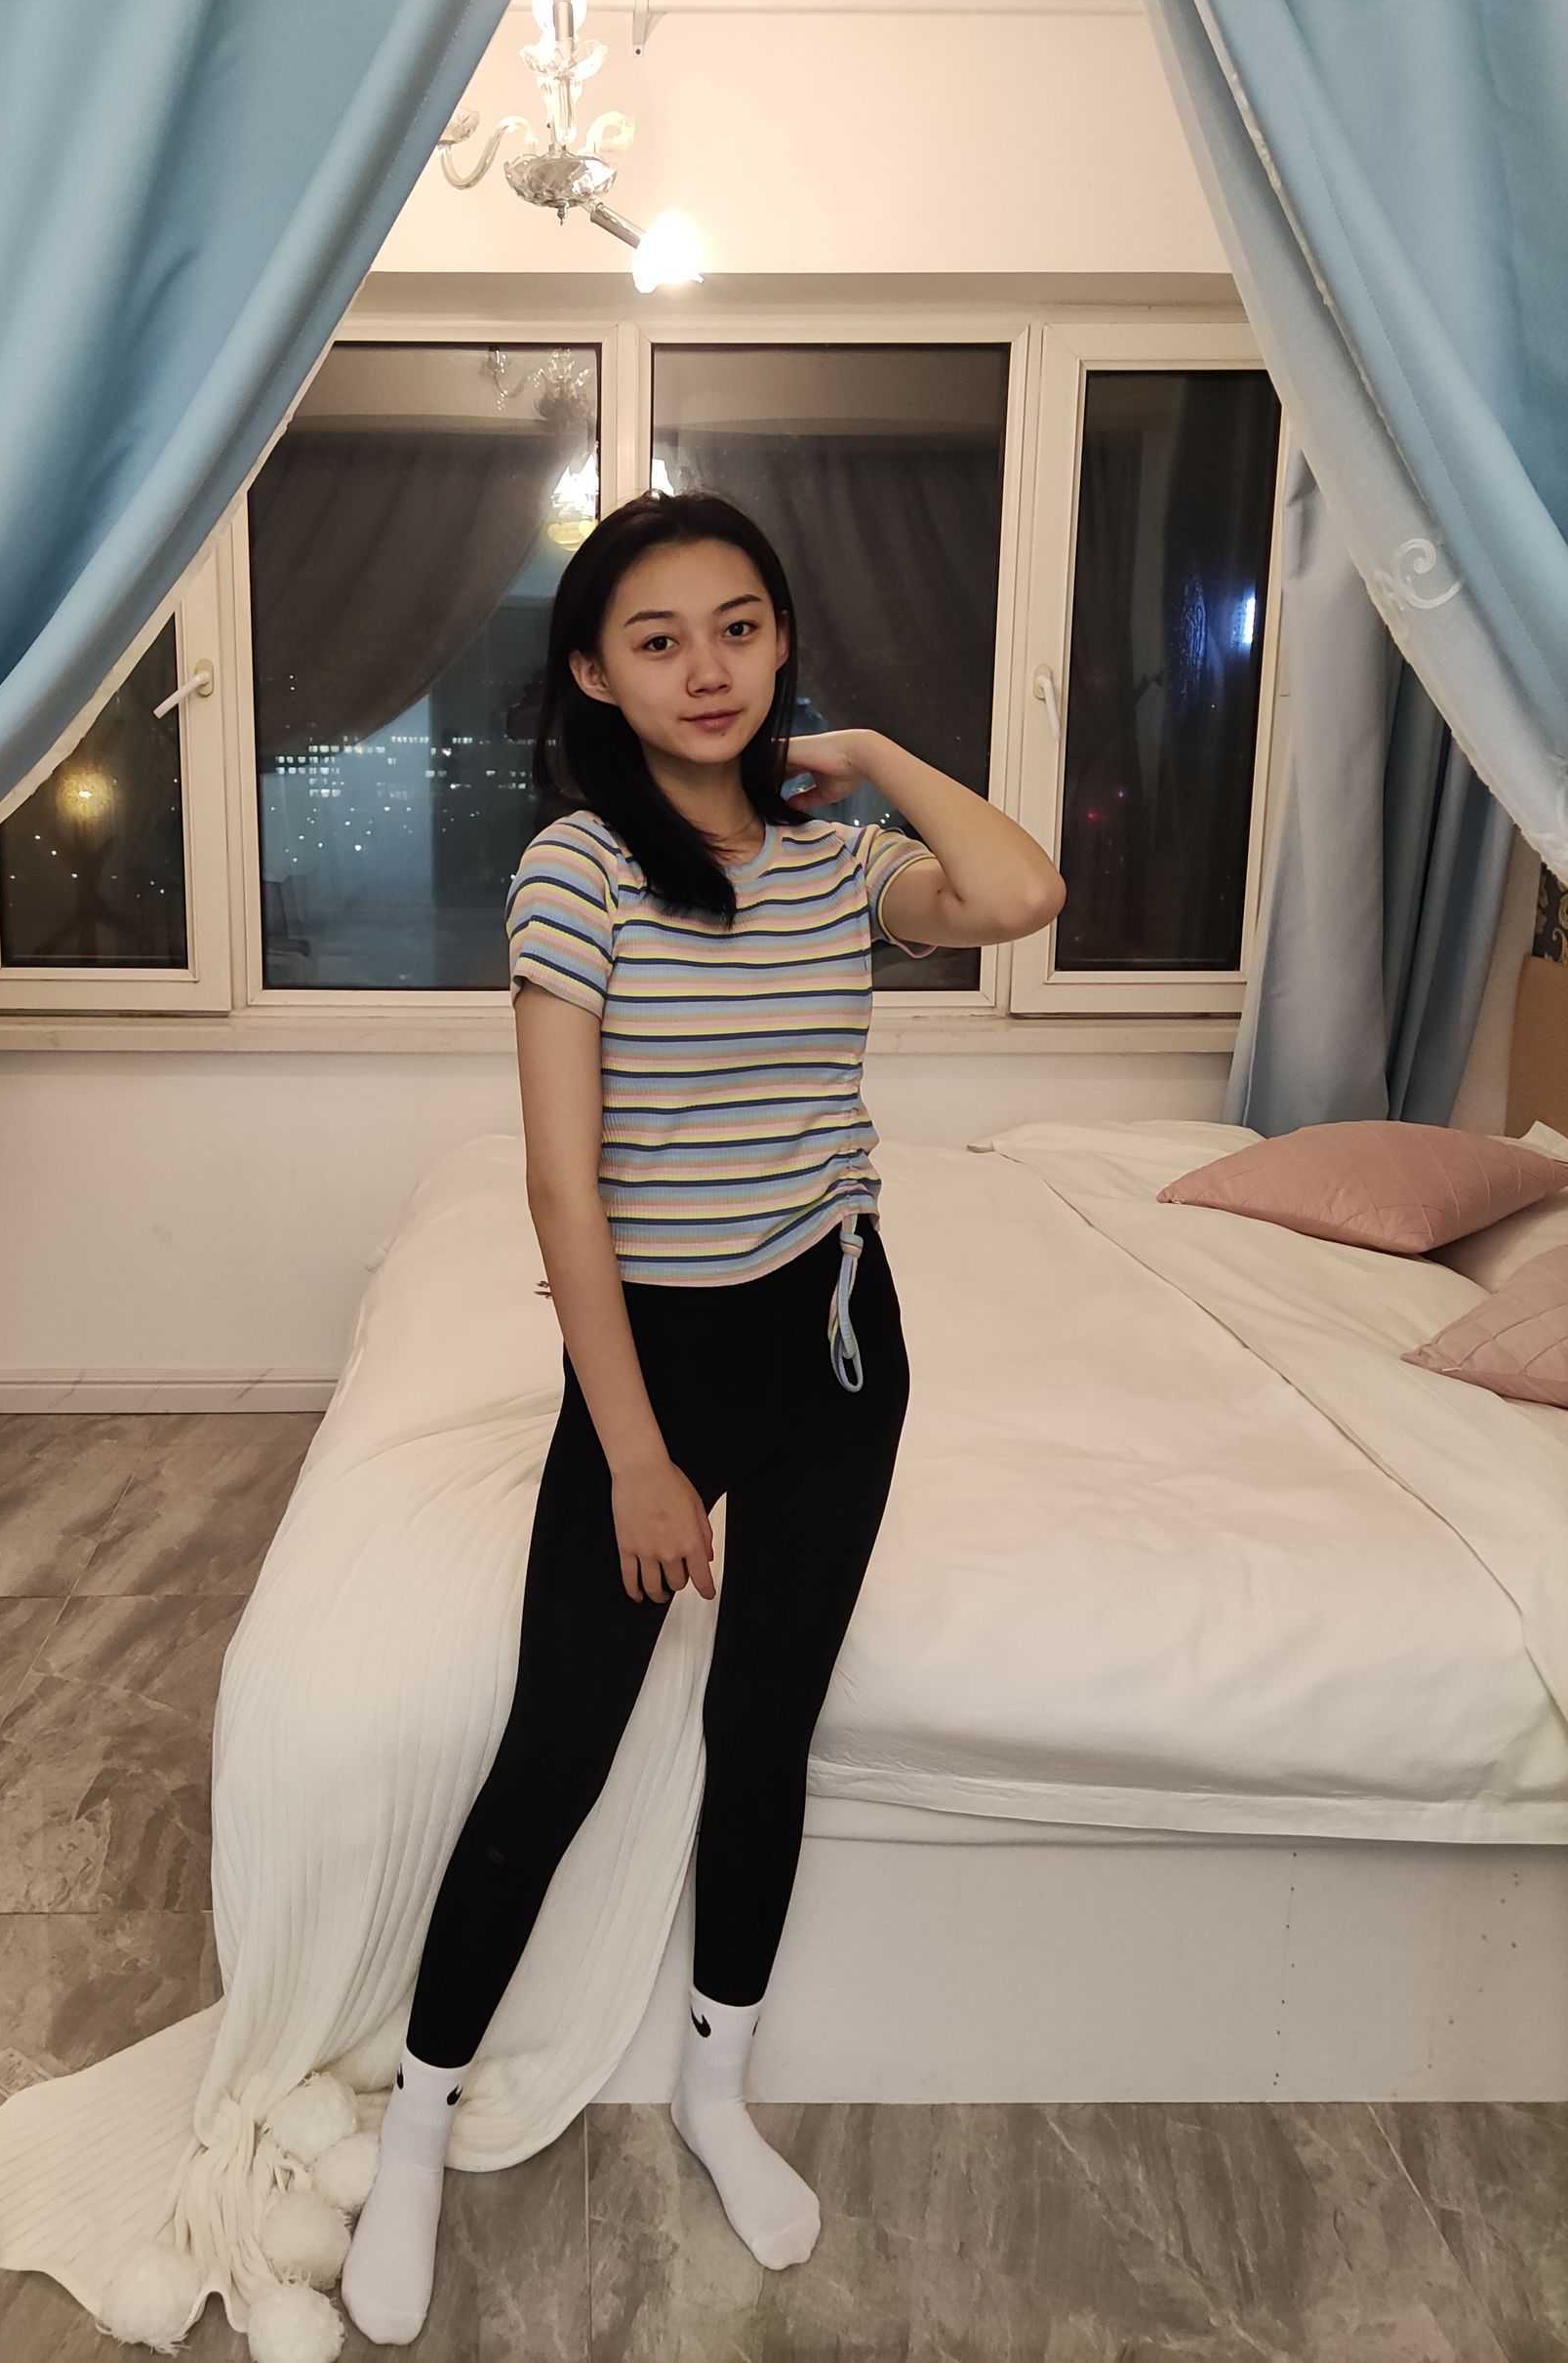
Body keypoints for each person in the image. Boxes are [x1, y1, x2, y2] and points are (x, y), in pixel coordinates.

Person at [341, 490, 1065, 2343]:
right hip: (656, 1365)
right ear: (593, 674)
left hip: (834, 1347)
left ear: (781, 639)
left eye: (739, 626)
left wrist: (876, 755)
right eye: (656, 639)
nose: (707, 668)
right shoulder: (576, 872)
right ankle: (418, 2120)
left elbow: (1018, 896)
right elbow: (560, 1188)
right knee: (556, 1753)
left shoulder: (837, 859)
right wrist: (639, 1458)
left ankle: (714, 2088)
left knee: (764, 1736)